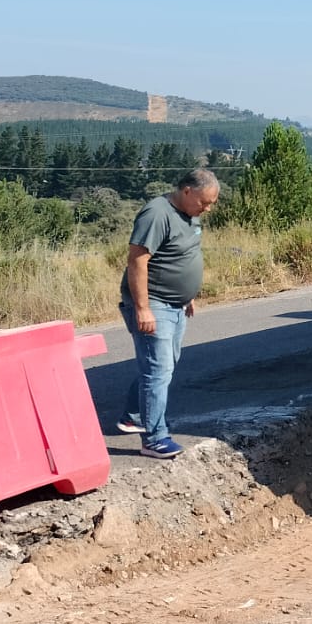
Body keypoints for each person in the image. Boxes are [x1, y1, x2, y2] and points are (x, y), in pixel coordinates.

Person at [118, 168, 219, 457]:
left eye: (212, 202)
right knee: (158, 370)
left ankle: (134, 417)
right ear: (187, 190)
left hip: (175, 303)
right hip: (155, 303)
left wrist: (186, 295)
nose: (208, 208)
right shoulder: (156, 214)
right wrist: (143, 308)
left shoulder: (189, 212)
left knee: (164, 364)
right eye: (204, 202)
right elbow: (138, 260)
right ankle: (154, 438)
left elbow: (180, 254)